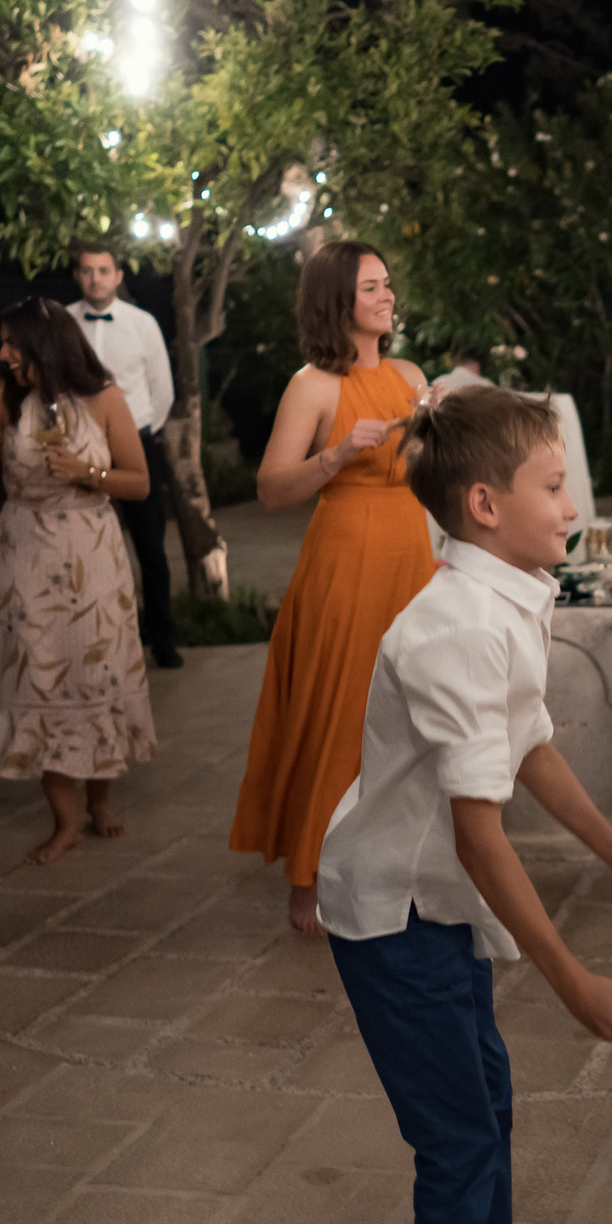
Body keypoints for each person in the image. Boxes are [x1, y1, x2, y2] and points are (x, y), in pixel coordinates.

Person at [319, 385, 612, 1224]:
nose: (572, 502)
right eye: (554, 485)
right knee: (459, 1142)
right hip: (394, 910)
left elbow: (533, 748)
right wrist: (571, 982)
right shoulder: (458, 629)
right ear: (482, 503)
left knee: (489, 1109)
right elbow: (480, 833)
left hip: (437, 900)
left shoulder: (510, 590)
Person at [230, 240, 438, 937]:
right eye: (372, 286)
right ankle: (310, 875)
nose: (387, 296)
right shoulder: (312, 386)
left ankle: (398, 859)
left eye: (387, 283)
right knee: (340, 710)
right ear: (337, 301)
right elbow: (269, 489)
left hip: (412, 554)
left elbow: (433, 471)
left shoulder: (411, 373)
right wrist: (338, 453)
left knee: (410, 712)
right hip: (345, 561)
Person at [0, 299, 157, 864]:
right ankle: (64, 820)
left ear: (46, 344)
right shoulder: (1, 395)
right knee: (42, 679)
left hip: (94, 559)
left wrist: (88, 473)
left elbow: (139, 483)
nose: (3, 354)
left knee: (95, 674)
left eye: (13, 343)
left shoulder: (105, 397)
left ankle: (100, 803)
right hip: (26, 555)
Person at [68, 243, 183, 669]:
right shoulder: (64, 321)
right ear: (78, 276)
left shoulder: (142, 324)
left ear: (118, 276)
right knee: (81, 543)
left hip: (135, 444)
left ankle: (162, 638)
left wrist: (138, 436)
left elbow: (163, 389)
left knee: (150, 546)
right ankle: (89, 640)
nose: (94, 278)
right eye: (86, 270)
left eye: (103, 270)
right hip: (78, 444)